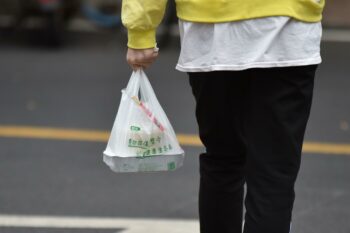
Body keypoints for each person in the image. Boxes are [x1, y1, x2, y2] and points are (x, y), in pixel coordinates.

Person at [122, 0, 325, 232]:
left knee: (223, 160)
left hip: (209, 26)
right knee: (273, 172)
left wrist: (141, 29)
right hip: (289, 25)